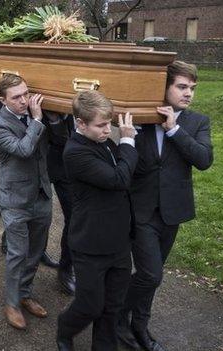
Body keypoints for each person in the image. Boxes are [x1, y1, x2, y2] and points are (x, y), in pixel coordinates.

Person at [117, 61, 213, 351]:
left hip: (173, 211)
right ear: (165, 86)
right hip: (141, 210)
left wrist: (174, 130)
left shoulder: (197, 122)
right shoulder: (142, 116)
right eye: (182, 87)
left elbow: (204, 160)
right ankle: (116, 314)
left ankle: (139, 326)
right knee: (151, 274)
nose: (188, 94)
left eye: (192, 88)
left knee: (152, 276)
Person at [56, 91, 138, 351]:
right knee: (90, 305)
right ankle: (65, 328)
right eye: (101, 125)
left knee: (113, 306)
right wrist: (128, 142)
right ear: (80, 123)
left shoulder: (103, 142)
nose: (107, 130)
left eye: (109, 124)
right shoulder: (75, 152)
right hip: (90, 243)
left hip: (118, 241)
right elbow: (119, 179)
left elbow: (123, 171)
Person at [0, 73, 51, 330]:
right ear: (3, 100)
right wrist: (37, 120)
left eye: (26, 94)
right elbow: (24, 150)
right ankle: (12, 303)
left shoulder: (33, 112)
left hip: (41, 193)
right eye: (16, 97)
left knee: (36, 250)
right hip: (15, 198)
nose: (24, 100)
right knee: (17, 253)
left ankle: (24, 293)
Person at [43, 111, 76, 294]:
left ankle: (66, 268)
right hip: (54, 164)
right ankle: (65, 271)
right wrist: (55, 118)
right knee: (36, 212)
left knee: (74, 219)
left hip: (75, 167)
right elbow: (62, 140)